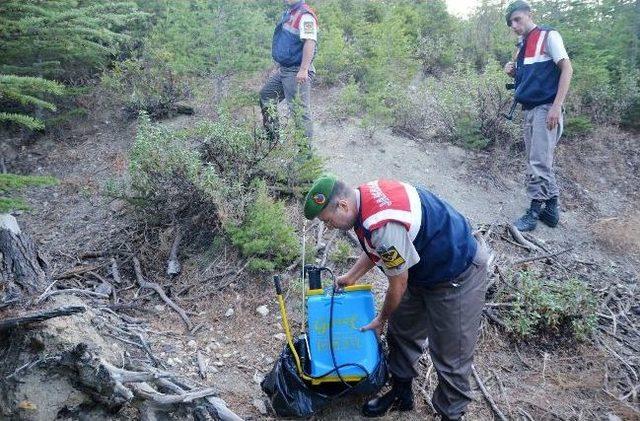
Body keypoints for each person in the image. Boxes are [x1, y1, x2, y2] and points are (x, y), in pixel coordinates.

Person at [303, 175, 490, 420]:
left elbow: (398, 283)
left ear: (343, 206)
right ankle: (402, 394)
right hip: (421, 270)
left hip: (456, 273)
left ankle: (450, 414)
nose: (328, 227)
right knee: (402, 331)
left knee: (450, 356)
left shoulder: (381, 225)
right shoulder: (360, 201)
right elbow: (376, 249)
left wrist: (381, 318)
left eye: (327, 220)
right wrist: (351, 276)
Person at [504, 0, 573, 232]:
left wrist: (557, 106)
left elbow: (567, 68)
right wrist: (515, 71)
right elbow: (530, 79)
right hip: (530, 109)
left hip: (546, 108)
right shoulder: (522, 45)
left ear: (529, 15)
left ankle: (533, 212)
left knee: (538, 162)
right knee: (539, 160)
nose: (514, 25)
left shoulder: (548, 36)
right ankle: (551, 209)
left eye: (517, 19)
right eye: (511, 22)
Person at [259, 0, 318, 141]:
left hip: (297, 70)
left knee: (299, 111)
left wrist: (303, 69)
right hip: (285, 69)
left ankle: (305, 155)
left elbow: (310, 42)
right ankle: (273, 136)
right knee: (267, 95)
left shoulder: (305, 15)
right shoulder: (290, 12)